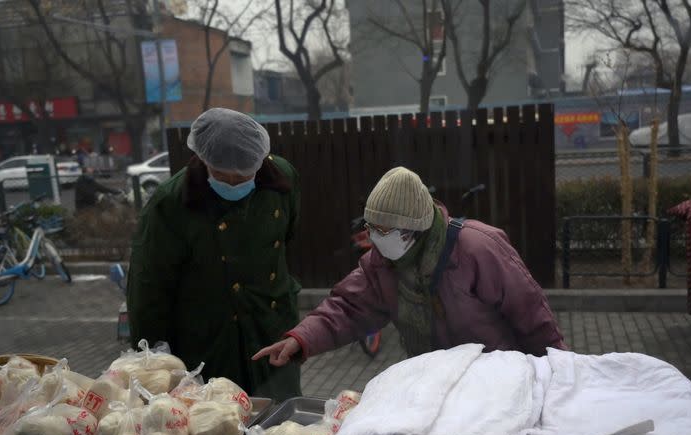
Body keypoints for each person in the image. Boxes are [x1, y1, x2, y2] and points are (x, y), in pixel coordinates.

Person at [253, 167, 566, 368]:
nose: (373, 237)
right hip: (433, 383)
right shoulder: (381, 264)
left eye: (383, 230)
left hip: (497, 383)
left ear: (412, 229)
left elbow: (532, 315)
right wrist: (300, 339)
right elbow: (347, 308)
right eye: (370, 226)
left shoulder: (477, 247)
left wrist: (559, 373)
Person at [126, 108, 302, 401]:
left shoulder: (281, 180)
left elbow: (286, 235)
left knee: (280, 415)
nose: (234, 183)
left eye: (244, 175)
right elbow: (148, 289)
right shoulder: (172, 203)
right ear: (203, 160)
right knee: (217, 423)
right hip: (208, 337)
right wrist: (153, 362)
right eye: (223, 175)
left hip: (271, 323)